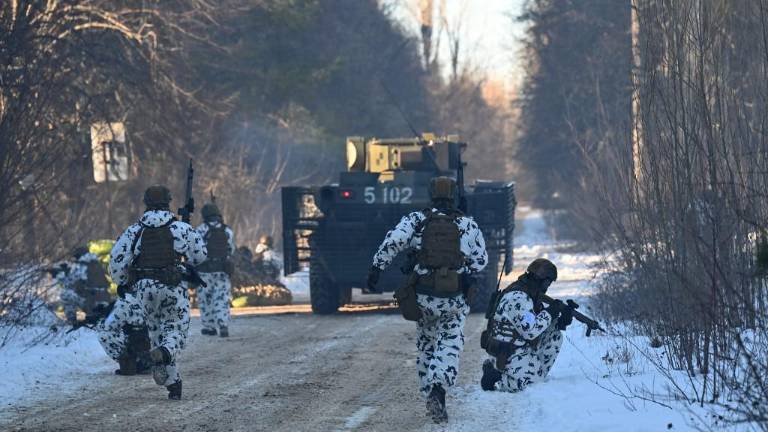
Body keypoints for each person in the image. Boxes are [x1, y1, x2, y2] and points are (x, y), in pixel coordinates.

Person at [366, 176, 488, 423]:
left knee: (426, 344)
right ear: (454, 195)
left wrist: (377, 268)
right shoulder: (467, 224)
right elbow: (480, 261)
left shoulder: (416, 220)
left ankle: (428, 389)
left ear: (431, 195)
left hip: (422, 296)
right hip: (453, 298)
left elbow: (394, 241)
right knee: (450, 342)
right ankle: (438, 388)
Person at [109, 185, 207, 400]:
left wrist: (123, 281)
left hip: (144, 288)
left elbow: (116, 261)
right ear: (168, 202)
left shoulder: (134, 230)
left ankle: (173, 383)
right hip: (173, 287)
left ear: (146, 203)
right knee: (175, 332)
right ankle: (165, 357)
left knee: (156, 333)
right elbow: (200, 256)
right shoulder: (180, 228)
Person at [480, 258, 573, 393]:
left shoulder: (529, 293)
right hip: (506, 351)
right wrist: (551, 312)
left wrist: (560, 322)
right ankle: (497, 377)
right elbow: (530, 331)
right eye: (548, 283)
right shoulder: (518, 297)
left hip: (517, 344)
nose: (547, 288)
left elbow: (536, 322)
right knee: (531, 386)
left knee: (555, 336)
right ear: (544, 281)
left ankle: (533, 372)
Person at [195, 202, 235, 337]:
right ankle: (223, 324)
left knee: (205, 299)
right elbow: (231, 250)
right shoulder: (227, 230)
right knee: (222, 298)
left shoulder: (200, 230)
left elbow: (196, 251)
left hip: (204, 271)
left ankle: (209, 327)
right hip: (222, 270)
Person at [96, 285, 152, 376]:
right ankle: (148, 360)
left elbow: (110, 325)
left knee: (104, 335)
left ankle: (133, 362)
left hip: (139, 341)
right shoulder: (147, 296)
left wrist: (99, 321)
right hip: (153, 338)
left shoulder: (124, 302)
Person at [57, 246, 111, 323]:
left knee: (65, 294)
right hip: (105, 299)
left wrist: (64, 274)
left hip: (92, 302)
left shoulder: (82, 265)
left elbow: (72, 284)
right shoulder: (96, 263)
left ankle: (72, 321)